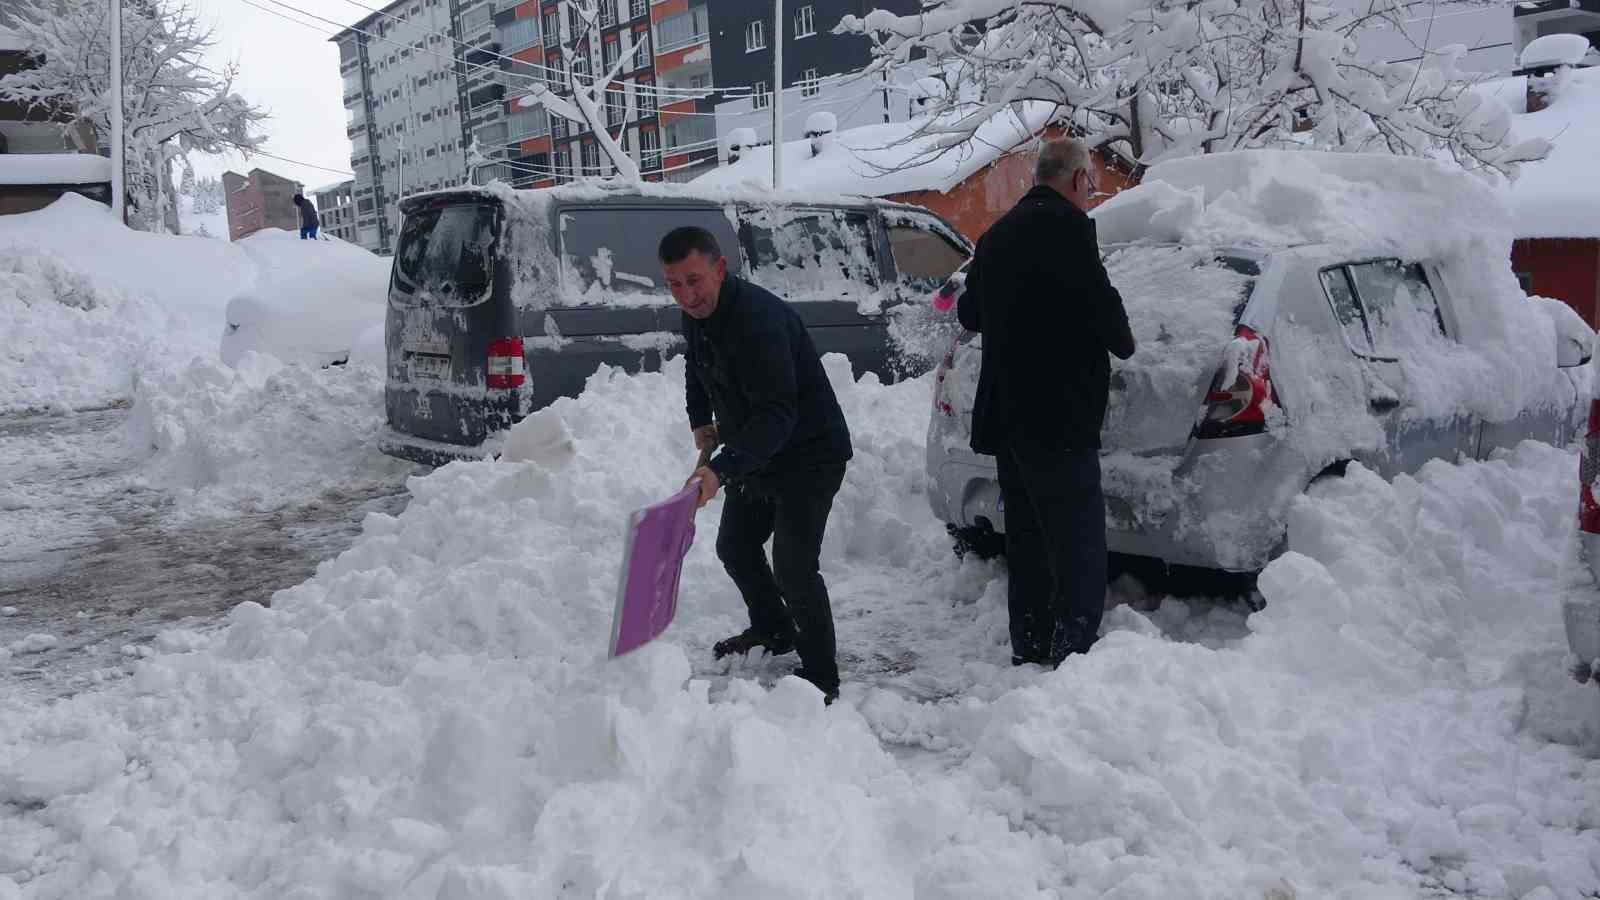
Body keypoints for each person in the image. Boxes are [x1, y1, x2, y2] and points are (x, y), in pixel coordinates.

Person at [957, 137, 1136, 667]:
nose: (1091, 193)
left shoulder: (996, 234)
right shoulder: (1073, 229)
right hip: (1060, 415)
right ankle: (1075, 650)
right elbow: (1109, 319)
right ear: (1077, 179)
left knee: (1029, 536)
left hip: (1008, 416)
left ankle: (1029, 643)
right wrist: (1118, 336)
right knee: (1077, 538)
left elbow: (969, 313)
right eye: (1091, 184)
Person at [659, 226, 853, 703]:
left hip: (809, 454)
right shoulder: (697, 314)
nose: (687, 295)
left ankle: (822, 676)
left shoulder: (760, 322)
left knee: (794, 568)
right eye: (675, 284)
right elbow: (696, 362)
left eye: (695, 280)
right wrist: (700, 418)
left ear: (720, 269)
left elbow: (778, 415)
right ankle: (774, 628)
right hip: (758, 450)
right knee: (736, 546)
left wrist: (720, 470)